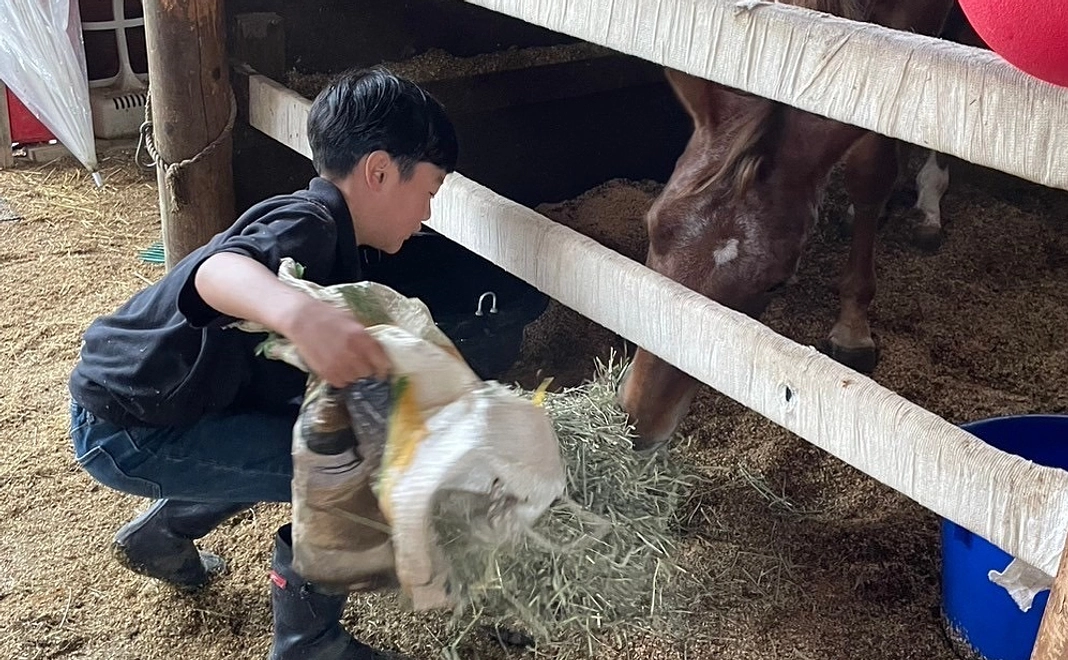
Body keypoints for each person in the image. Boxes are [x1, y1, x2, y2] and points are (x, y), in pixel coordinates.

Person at [67, 67, 458, 659]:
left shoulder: (336, 240)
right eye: (428, 193)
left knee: (295, 431)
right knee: (345, 467)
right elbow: (216, 273)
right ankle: (309, 642)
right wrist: (299, 315)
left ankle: (161, 534)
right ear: (379, 172)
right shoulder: (308, 223)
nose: (426, 215)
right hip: (129, 431)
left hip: (144, 409)